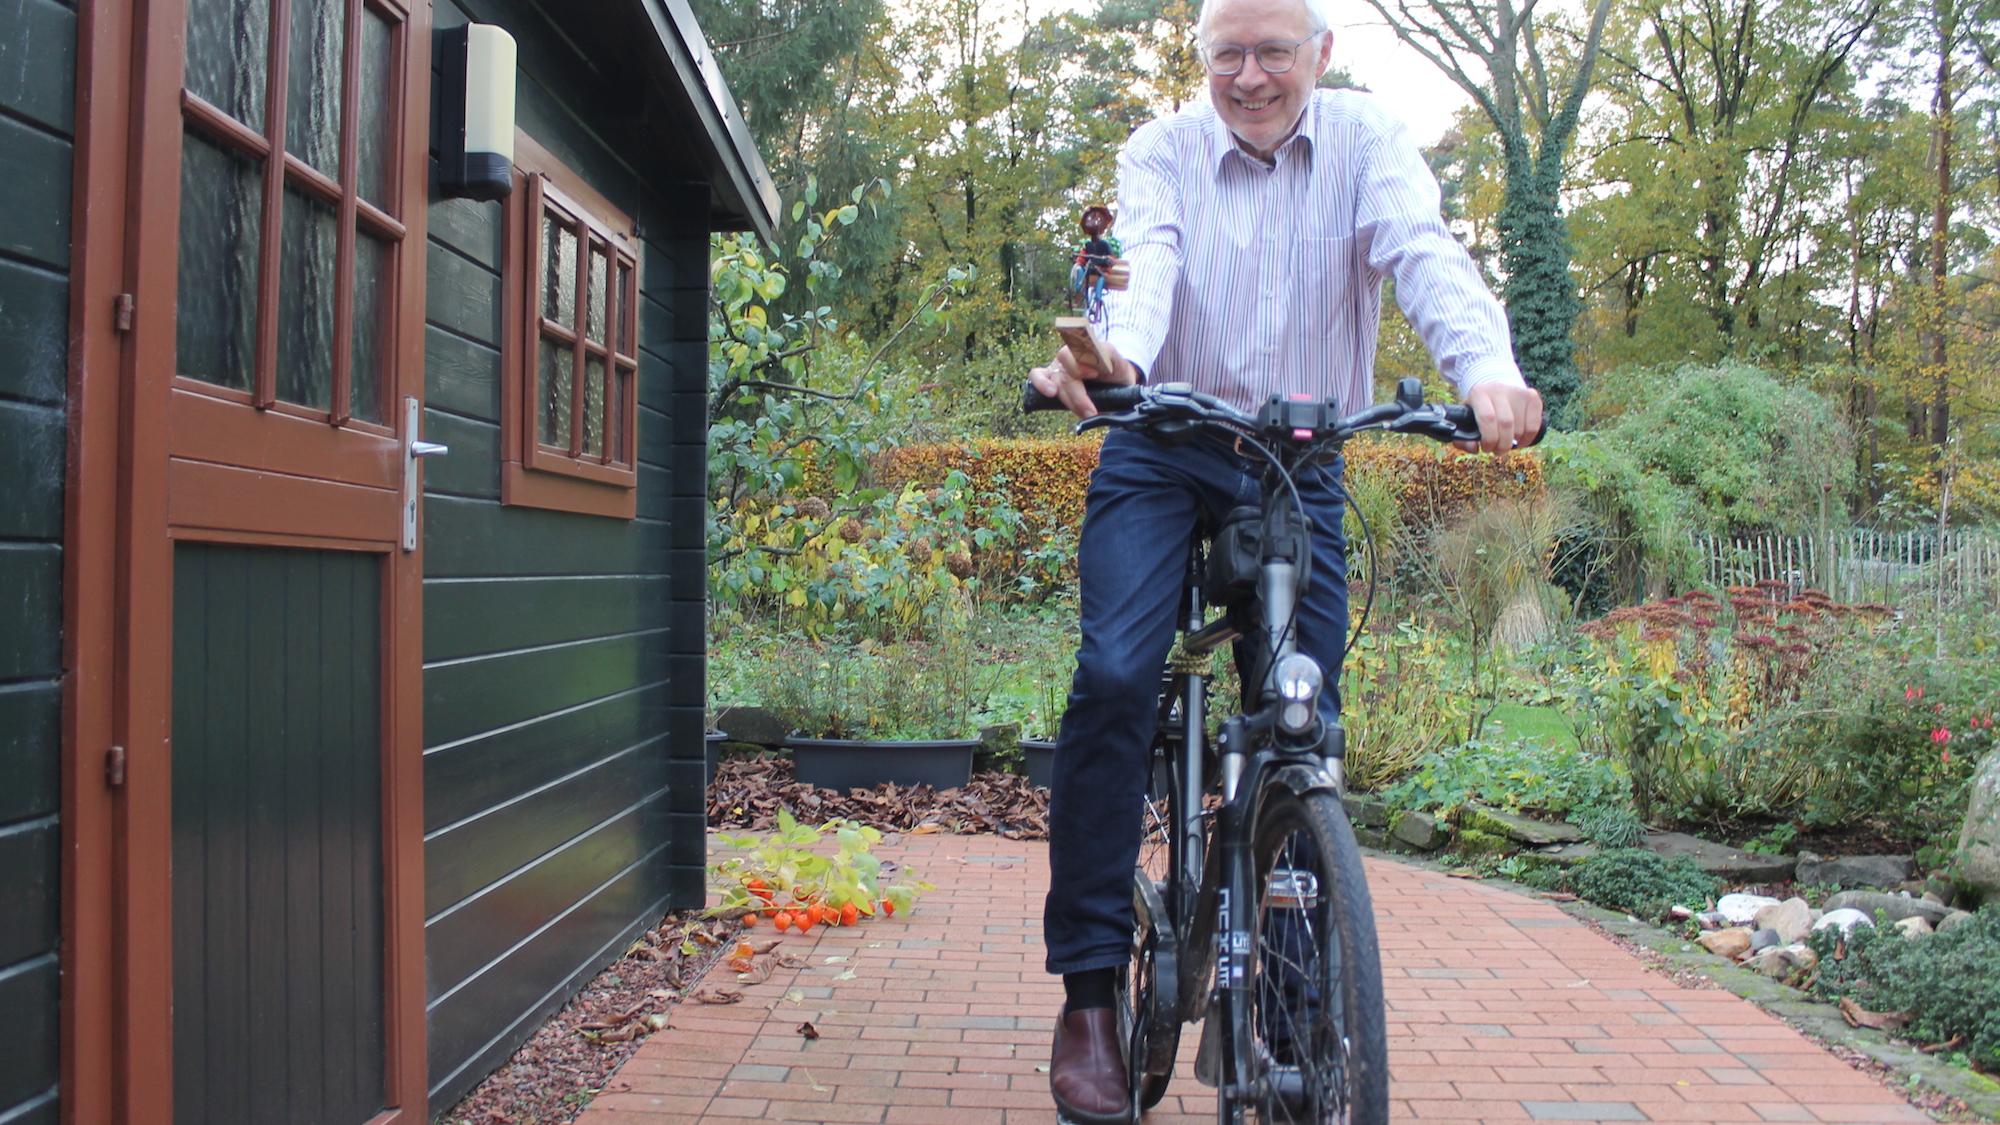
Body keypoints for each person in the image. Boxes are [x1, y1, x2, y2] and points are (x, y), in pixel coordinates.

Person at [1024, 0, 1544, 1119]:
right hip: (1159, 445)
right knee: (1115, 677)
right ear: (1201, 58)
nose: (1248, 76)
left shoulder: (1367, 143)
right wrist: (1114, 359)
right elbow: (1146, 265)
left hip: (1298, 459)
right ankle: (1087, 1001)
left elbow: (1421, 253)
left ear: (1320, 53)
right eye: (1226, 54)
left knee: (1299, 712)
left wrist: (1485, 369)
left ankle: (1293, 990)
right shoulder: (1161, 150)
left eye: (1271, 52)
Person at [1069, 205, 1120, 319]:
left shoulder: (1104, 244)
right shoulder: (1088, 245)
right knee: (1079, 269)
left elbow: (1112, 259)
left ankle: (1098, 298)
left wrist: (1108, 261)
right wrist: (1078, 262)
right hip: (1090, 269)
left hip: (1100, 271)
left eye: (1097, 219)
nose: (1094, 221)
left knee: (1101, 279)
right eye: (1091, 218)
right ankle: (1080, 291)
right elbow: (1082, 257)